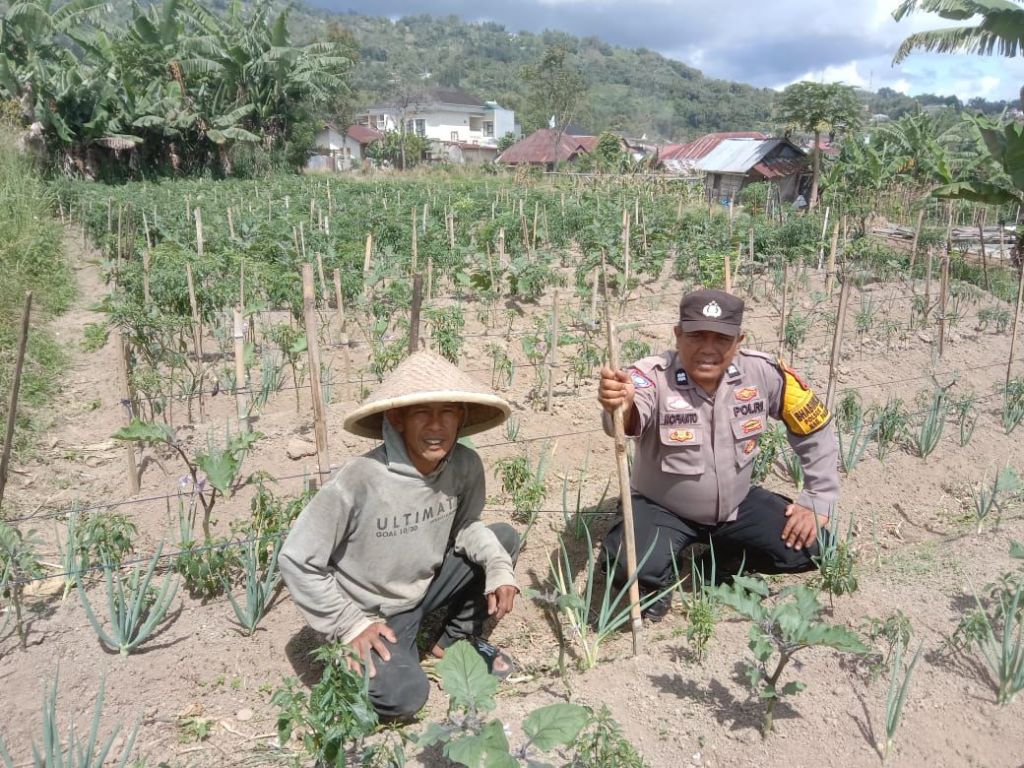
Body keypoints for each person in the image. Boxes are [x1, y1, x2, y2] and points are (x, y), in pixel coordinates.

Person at [280, 351, 520, 720]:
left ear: (462, 418)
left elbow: (467, 526)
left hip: (422, 590)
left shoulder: (464, 466)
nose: (436, 425)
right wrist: (349, 624)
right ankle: (357, 659)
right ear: (398, 418)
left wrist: (500, 568)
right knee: (405, 696)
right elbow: (297, 558)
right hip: (370, 613)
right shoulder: (361, 479)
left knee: (501, 540)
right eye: (423, 412)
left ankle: (452, 644)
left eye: (448, 412)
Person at [597, 289, 839, 620]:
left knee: (814, 547)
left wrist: (817, 497)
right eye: (697, 335)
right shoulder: (652, 376)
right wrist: (621, 405)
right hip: (663, 508)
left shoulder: (763, 373)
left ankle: (717, 562)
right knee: (629, 565)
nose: (708, 348)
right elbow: (629, 414)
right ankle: (660, 579)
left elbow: (814, 426)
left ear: (738, 340)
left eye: (721, 338)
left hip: (736, 506)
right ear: (678, 335)